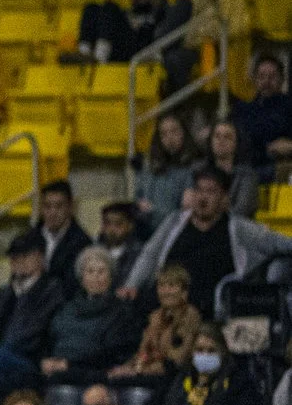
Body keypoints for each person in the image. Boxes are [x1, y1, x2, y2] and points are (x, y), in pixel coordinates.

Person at [127, 166, 292, 310]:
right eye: (199, 190)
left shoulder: (239, 228)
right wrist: (132, 284)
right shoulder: (174, 222)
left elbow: (280, 243)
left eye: (211, 191)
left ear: (224, 198)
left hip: (211, 309)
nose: (203, 197)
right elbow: (150, 254)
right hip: (167, 301)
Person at [0, 230, 67, 405]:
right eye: (14, 256)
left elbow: (32, 334)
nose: (18, 261)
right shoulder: (5, 292)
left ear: (40, 257)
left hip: (32, 362)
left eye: (24, 255)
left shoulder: (53, 290)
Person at [36, 248, 139, 385]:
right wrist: (46, 360)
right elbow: (49, 339)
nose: (95, 277)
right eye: (90, 271)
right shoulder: (65, 309)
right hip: (58, 367)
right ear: (82, 278)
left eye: (101, 271)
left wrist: (69, 364)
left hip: (94, 373)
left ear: (111, 277)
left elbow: (111, 353)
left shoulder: (121, 312)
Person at [72, 0, 183, 66]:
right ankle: (84, 52)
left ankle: (100, 58)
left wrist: (139, 26)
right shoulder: (131, 11)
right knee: (91, 7)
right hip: (123, 48)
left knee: (111, 7)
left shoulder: (164, 10)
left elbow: (160, 34)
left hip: (143, 50)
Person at [160, 326, 267, 405]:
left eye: (211, 350)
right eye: (200, 350)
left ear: (223, 353)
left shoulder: (239, 382)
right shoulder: (182, 378)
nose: (205, 355)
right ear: (192, 352)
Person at [136, 111, 203, 219]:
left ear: (184, 133)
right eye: (164, 134)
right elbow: (138, 199)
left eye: (174, 131)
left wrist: (153, 211)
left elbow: (185, 213)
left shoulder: (195, 169)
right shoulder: (150, 169)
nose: (170, 138)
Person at [28, 180, 88, 284]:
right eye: (47, 206)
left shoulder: (82, 243)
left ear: (70, 207)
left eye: (59, 206)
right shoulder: (29, 238)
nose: (53, 212)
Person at [95, 201, 146, 298]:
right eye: (107, 223)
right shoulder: (94, 250)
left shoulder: (138, 253)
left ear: (130, 226)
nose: (112, 229)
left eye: (118, 224)